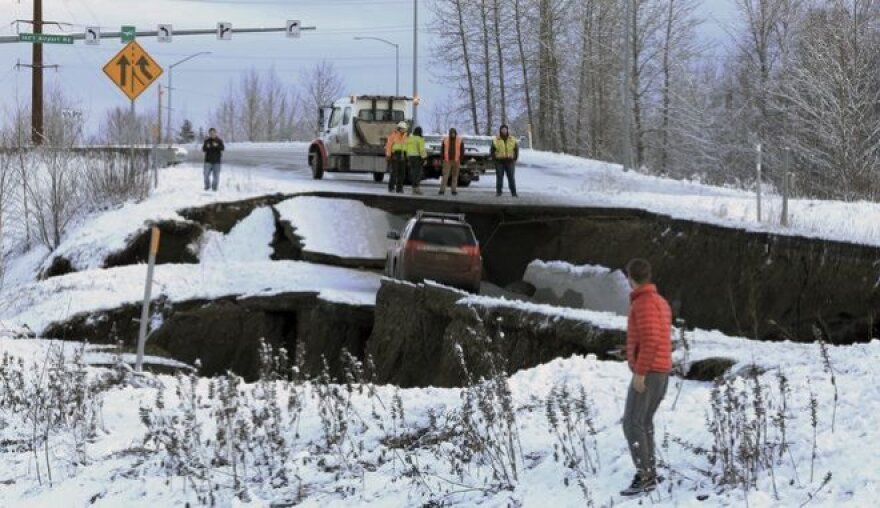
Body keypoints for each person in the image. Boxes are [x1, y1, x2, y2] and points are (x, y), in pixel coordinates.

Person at [620, 258, 673, 497]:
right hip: (660, 370)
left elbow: (651, 340)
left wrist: (640, 373)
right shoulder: (660, 301)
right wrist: (630, 351)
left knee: (632, 423)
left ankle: (645, 476)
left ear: (630, 277)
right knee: (644, 422)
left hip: (650, 372)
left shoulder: (643, 304)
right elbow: (654, 337)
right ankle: (649, 472)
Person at [490, 124, 519, 197]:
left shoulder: (512, 139)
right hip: (499, 162)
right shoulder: (496, 139)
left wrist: (515, 158)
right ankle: (499, 192)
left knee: (511, 178)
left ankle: (514, 193)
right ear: (500, 130)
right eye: (502, 129)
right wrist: (494, 159)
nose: (504, 130)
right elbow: (492, 150)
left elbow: (516, 149)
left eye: (505, 129)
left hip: (510, 161)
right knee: (499, 177)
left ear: (507, 130)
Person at [385, 121, 409, 193]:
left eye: (405, 129)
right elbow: (388, 146)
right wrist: (388, 155)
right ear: (399, 128)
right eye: (403, 129)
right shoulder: (393, 135)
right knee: (394, 173)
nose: (404, 130)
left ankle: (399, 188)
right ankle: (391, 187)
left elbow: (407, 147)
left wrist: (407, 156)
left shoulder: (406, 136)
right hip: (395, 155)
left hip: (403, 155)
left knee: (402, 174)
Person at [439, 127, 464, 196]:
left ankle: (454, 190)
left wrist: (461, 159)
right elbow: (442, 150)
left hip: (456, 160)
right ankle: (442, 190)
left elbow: (462, 150)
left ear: (455, 133)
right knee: (445, 176)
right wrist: (442, 159)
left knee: (455, 176)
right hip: (447, 160)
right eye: (451, 133)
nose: (453, 134)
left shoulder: (459, 140)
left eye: (454, 133)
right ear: (449, 133)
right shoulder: (445, 140)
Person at [405, 126, 428, 195]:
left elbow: (406, 148)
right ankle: (417, 188)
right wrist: (424, 158)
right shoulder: (420, 139)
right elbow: (422, 150)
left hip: (410, 157)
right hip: (417, 158)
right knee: (418, 173)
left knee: (413, 173)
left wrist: (407, 156)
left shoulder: (410, 139)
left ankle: (413, 188)